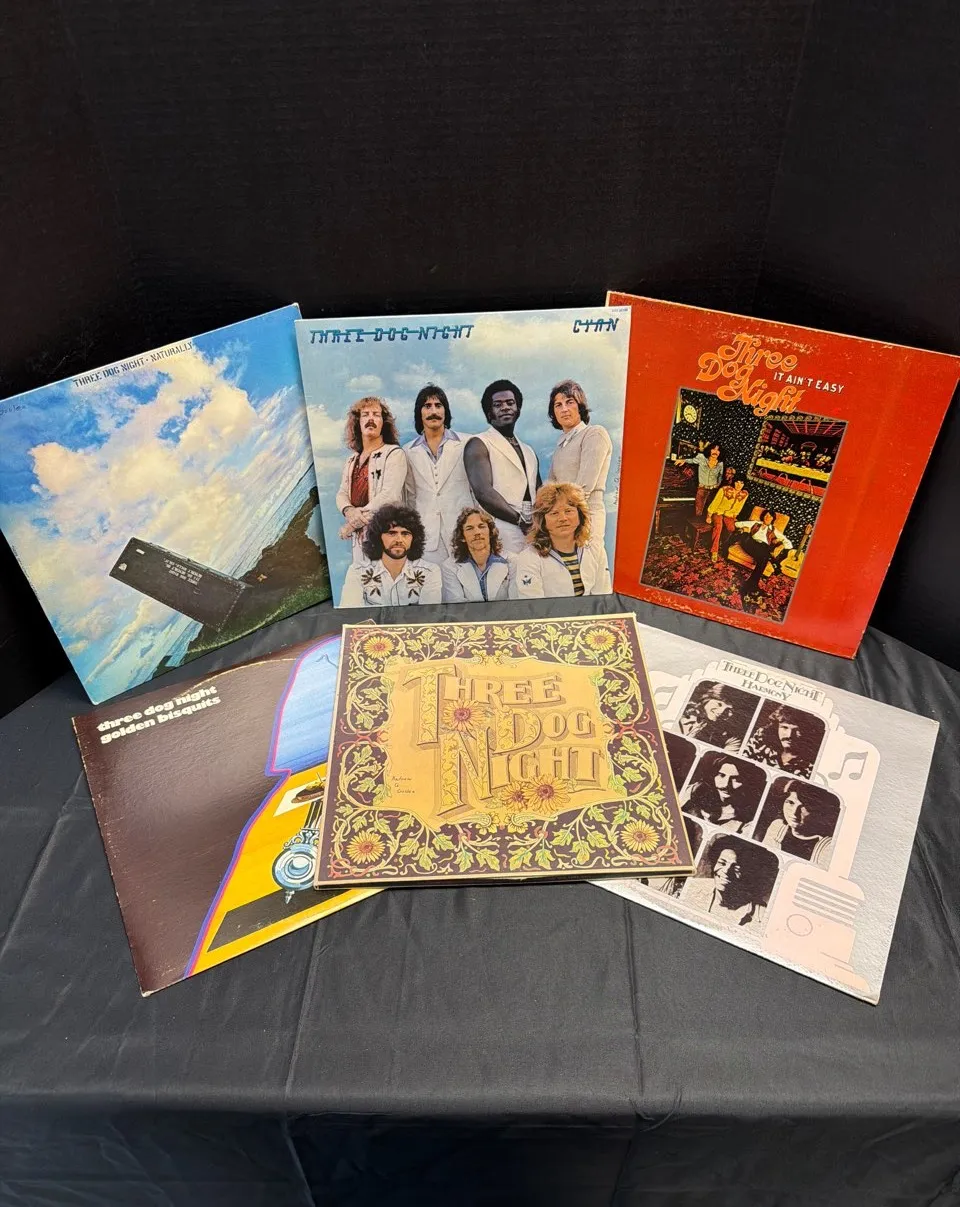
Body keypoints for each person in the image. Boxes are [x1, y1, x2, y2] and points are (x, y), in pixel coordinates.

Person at [463, 380, 540, 554]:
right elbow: (483, 492)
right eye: (498, 405)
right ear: (489, 412)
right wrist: (519, 520)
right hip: (500, 527)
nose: (505, 408)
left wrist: (537, 524)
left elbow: (539, 492)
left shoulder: (529, 450)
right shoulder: (479, 443)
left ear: (518, 409)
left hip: (532, 529)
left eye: (510, 403)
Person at [403, 384, 475, 564]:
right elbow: (410, 496)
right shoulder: (407, 451)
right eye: (427, 406)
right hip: (428, 537)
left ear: (445, 410)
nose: (433, 411)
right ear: (419, 413)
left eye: (438, 405)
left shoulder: (468, 442)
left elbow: (478, 489)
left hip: (464, 532)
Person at [546, 380, 613, 568]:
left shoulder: (594, 434)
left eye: (570, 402)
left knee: (589, 571)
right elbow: (550, 487)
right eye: (558, 405)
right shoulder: (560, 447)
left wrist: (563, 518)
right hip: (564, 518)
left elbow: (583, 487)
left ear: (580, 405)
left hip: (587, 515)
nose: (564, 409)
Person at [336, 397, 411, 563]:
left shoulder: (393, 454)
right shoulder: (351, 460)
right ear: (358, 422)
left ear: (384, 423)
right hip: (359, 538)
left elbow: (389, 495)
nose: (371, 418)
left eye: (376, 414)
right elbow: (342, 493)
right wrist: (349, 511)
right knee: (362, 576)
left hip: (387, 535)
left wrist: (352, 524)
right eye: (365, 414)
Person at [511, 482, 611, 598]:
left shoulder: (596, 550)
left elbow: (603, 598)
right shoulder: (529, 557)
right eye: (554, 513)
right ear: (542, 521)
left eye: (568, 511)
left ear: (580, 516)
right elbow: (533, 605)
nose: (563, 518)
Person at [339, 504, 441, 607]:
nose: (399, 540)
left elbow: (429, 614)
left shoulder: (429, 572)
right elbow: (350, 613)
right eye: (392, 533)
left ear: (414, 539)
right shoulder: (358, 572)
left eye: (405, 534)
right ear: (378, 537)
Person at [682, 841, 770, 931]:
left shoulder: (760, 913)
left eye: (736, 868)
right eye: (722, 863)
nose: (726, 870)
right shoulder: (691, 887)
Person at [760, 782, 839, 867]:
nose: (794, 812)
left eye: (804, 806)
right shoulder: (778, 827)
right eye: (791, 802)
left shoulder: (827, 846)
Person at [440, 507, 511, 602]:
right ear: (462, 537)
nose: (477, 532)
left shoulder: (512, 561)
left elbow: (516, 602)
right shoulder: (450, 566)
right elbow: (457, 605)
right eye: (469, 528)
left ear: (490, 532)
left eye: (481, 526)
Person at [681, 754, 761, 833]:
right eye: (722, 775)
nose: (725, 785)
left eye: (736, 779)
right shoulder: (693, 792)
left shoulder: (749, 821)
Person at [745, 704, 821, 778]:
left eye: (796, 730)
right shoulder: (760, 742)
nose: (789, 735)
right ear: (776, 726)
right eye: (784, 727)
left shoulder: (811, 768)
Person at [730, 510, 793, 596]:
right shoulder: (756, 523)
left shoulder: (773, 530)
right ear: (763, 516)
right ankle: (774, 562)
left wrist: (781, 545)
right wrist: (744, 528)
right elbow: (737, 524)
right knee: (750, 540)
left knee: (763, 558)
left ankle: (750, 585)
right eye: (766, 515)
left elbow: (789, 544)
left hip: (762, 549)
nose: (767, 517)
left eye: (770, 516)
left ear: (773, 519)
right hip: (750, 543)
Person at [677, 683, 750, 752]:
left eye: (729, 710)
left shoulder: (731, 738)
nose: (721, 712)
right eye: (719, 704)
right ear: (707, 699)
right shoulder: (681, 711)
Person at [671, 441, 724, 515]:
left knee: (710, 513)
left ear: (720, 452)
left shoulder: (720, 464)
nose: (715, 452)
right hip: (702, 489)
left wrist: (718, 484)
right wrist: (684, 460)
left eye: (718, 450)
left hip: (713, 491)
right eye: (713, 449)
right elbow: (692, 460)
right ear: (710, 450)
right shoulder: (702, 458)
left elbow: (720, 475)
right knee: (699, 512)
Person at [706, 477, 749, 561]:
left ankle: (722, 542)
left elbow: (740, 507)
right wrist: (709, 515)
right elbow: (715, 502)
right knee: (718, 527)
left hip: (730, 515)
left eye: (741, 483)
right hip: (718, 512)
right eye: (737, 482)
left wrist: (734, 516)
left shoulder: (744, 494)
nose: (739, 485)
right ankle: (714, 551)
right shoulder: (724, 489)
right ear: (733, 482)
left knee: (731, 528)